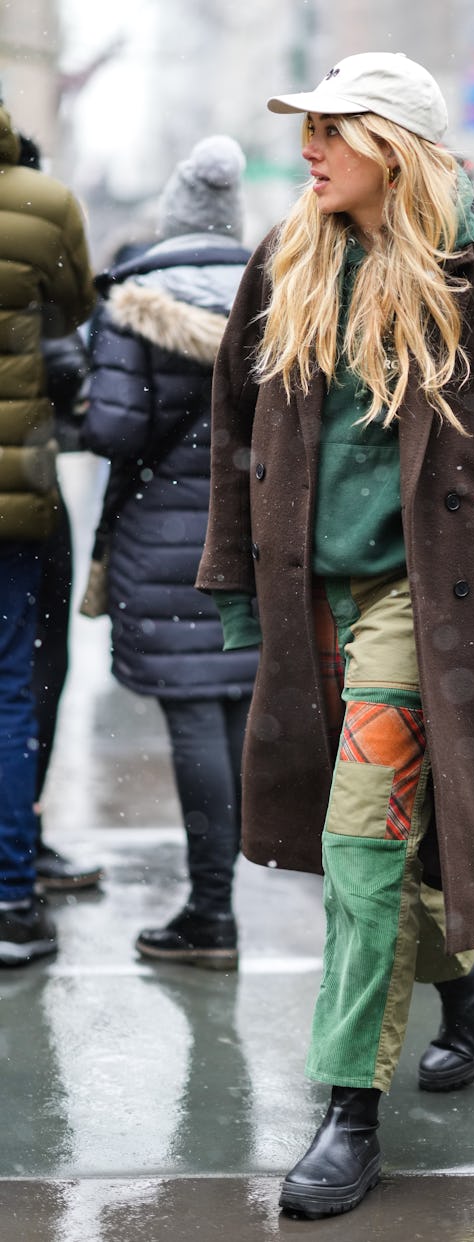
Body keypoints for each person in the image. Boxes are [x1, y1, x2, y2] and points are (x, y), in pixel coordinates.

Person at [195, 52, 474, 1217]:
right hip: (307, 602)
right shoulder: (285, 266)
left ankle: (346, 1112)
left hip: (423, 602)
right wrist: (233, 582)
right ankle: (469, 988)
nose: (309, 147)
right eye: (306, 128)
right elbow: (236, 432)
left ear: (395, 145)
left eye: (334, 128)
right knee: (357, 843)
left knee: (363, 847)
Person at [82, 136, 258, 969]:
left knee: (194, 716)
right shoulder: (280, 297)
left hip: (166, 544)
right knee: (231, 710)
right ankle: (219, 901)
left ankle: (212, 913)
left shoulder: (138, 301)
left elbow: (113, 432)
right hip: (258, 537)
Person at [0, 103, 96, 966]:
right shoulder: (45, 202)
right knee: (14, 684)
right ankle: (10, 891)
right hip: (16, 496)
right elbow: (74, 318)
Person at [16, 130, 104, 892]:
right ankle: (22, 850)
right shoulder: (41, 230)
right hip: (24, 497)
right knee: (31, 678)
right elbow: (73, 360)